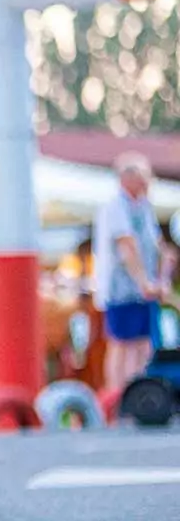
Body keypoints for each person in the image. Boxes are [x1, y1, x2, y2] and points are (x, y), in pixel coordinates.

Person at [92, 152, 170, 393]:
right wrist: (144, 282)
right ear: (128, 178)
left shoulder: (144, 208)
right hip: (121, 290)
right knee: (122, 344)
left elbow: (158, 247)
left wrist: (161, 279)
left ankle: (140, 393)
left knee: (143, 344)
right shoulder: (115, 208)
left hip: (143, 292)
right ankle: (118, 398)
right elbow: (127, 248)